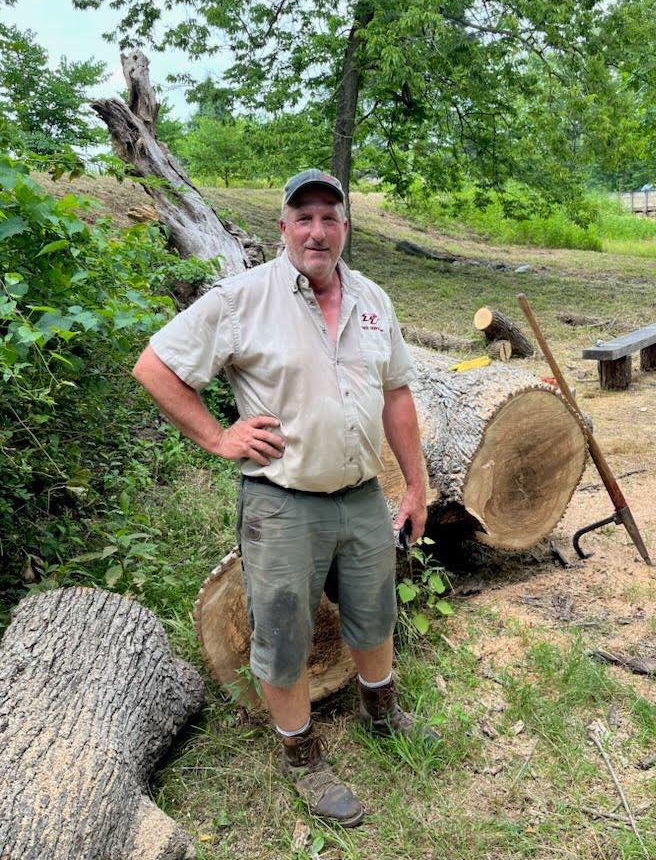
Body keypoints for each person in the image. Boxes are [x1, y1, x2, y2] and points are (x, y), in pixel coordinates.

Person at [132, 168, 436, 827]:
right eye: (304, 218)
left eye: (330, 218)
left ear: (345, 228)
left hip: (361, 495)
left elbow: (398, 395)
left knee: (374, 612)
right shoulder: (243, 298)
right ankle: (302, 757)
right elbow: (155, 366)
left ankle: (383, 715)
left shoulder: (373, 300)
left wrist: (415, 484)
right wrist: (219, 436)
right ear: (284, 228)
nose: (317, 231)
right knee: (282, 631)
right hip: (282, 501)